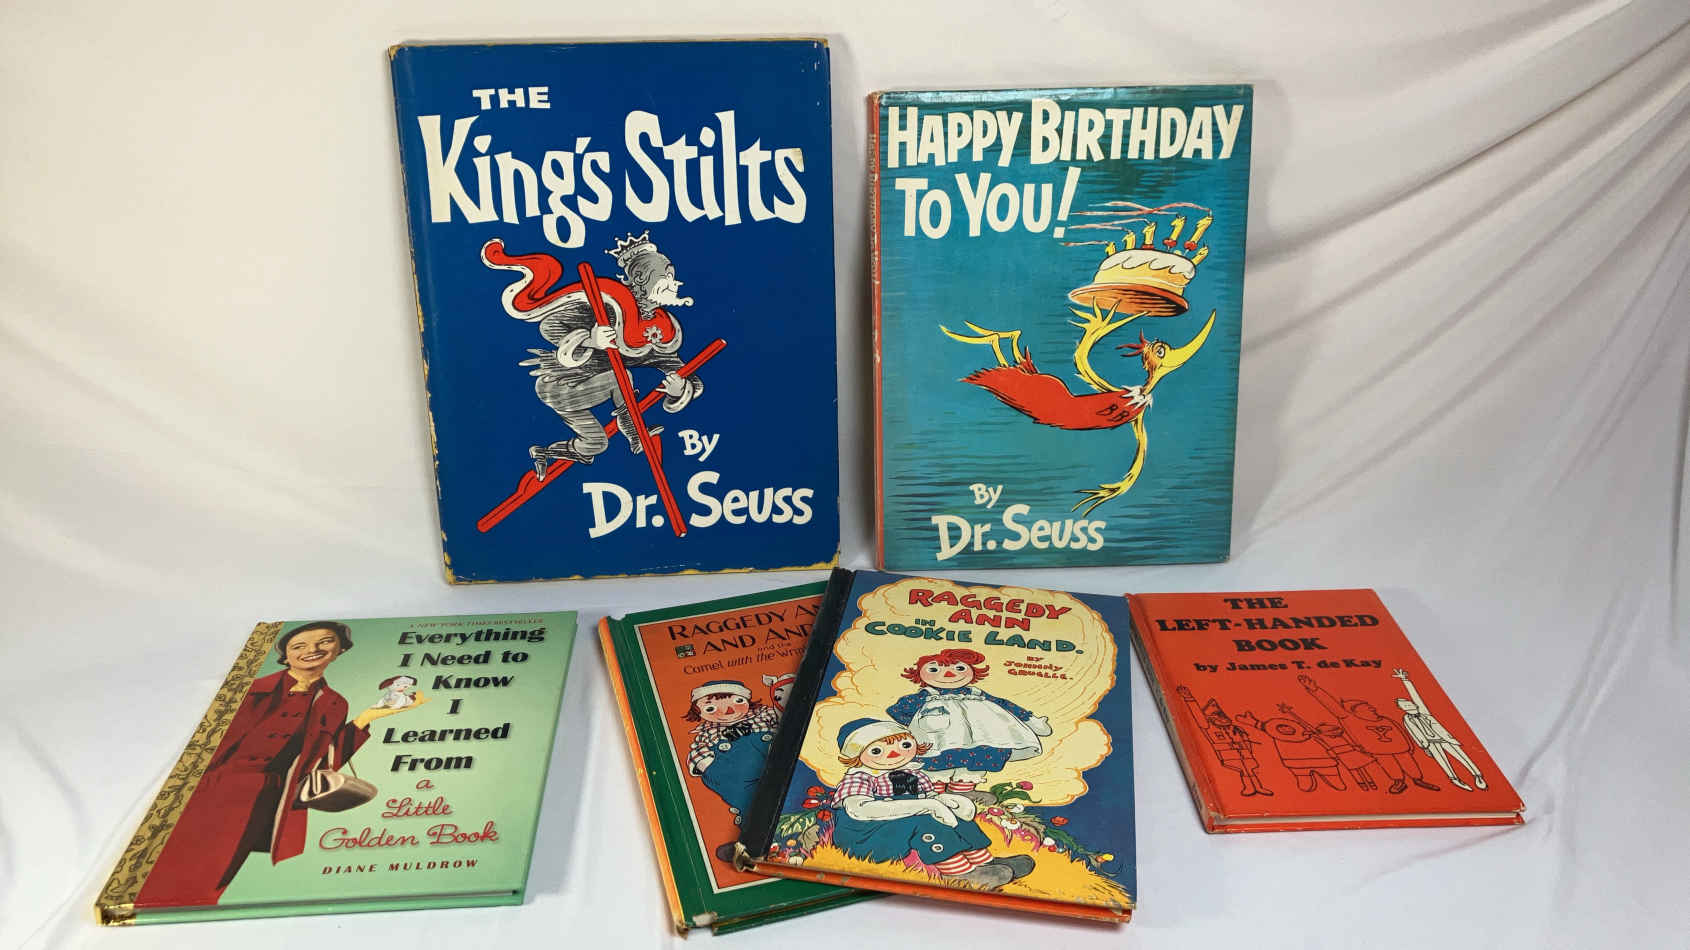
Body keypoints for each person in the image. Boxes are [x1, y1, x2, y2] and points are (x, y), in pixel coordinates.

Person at [137, 622, 427, 906]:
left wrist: (368, 717)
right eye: (299, 645)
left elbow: (322, 764)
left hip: (265, 800)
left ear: (340, 650)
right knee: (164, 866)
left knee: (210, 879)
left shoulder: (335, 703)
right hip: (206, 789)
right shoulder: (246, 689)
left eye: (325, 641)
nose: (312, 649)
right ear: (285, 655)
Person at [828, 718, 1032, 888]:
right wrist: (926, 806)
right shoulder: (860, 778)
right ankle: (958, 872)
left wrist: (949, 802)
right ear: (856, 756)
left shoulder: (914, 773)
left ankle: (984, 860)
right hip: (868, 833)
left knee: (953, 816)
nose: (894, 754)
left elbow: (931, 796)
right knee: (926, 821)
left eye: (904, 745)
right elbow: (860, 810)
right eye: (876, 751)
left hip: (899, 823)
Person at [885, 649, 1051, 794]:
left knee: (976, 761)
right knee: (936, 762)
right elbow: (898, 710)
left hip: (981, 738)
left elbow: (1004, 704)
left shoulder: (976, 694)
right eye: (934, 669)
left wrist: (1031, 721)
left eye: (959, 668)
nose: (949, 674)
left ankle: (962, 792)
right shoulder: (926, 696)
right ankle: (934, 793)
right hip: (940, 739)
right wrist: (919, 726)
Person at [683, 680, 780, 861]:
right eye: (711, 709)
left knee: (781, 790)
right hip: (736, 774)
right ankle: (751, 843)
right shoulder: (707, 733)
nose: (728, 711)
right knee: (747, 803)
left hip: (767, 757)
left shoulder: (763, 715)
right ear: (698, 712)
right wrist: (710, 766)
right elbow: (697, 753)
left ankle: (781, 834)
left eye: (737, 701)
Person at [1297, 674, 1438, 793]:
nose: (1372, 709)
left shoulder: (1386, 720)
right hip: (1379, 751)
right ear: (1356, 712)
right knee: (1391, 767)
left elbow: (1401, 732)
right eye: (1367, 708)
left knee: (1410, 766)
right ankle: (1398, 782)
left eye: (1371, 707)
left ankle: (1418, 780)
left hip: (1401, 749)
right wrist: (1315, 690)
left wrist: (1411, 746)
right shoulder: (1351, 720)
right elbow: (1333, 706)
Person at [1391, 669, 1487, 790]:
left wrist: (1405, 680)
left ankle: (1477, 775)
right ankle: (1455, 779)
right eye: (1404, 706)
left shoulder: (1423, 711)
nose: (1408, 706)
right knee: (1443, 762)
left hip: (1443, 738)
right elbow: (1414, 734)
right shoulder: (1407, 719)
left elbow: (1415, 696)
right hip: (1430, 743)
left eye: (1409, 703)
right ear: (1402, 709)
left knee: (1462, 757)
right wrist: (1424, 747)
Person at [1175, 685, 1272, 796]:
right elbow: (1198, 716)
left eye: (1222, 716)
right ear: (1210, 718)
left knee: (1250, 770)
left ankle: (1258, 787)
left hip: (1245, 753)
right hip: (1228, 754)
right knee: (1243, 770)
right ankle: (1249, 787)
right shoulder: (1209, 727)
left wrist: (1248, 748)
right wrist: (1189, 699)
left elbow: (1245, 740)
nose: (1221, 718)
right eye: (1216, 716)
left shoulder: (1236, 728)